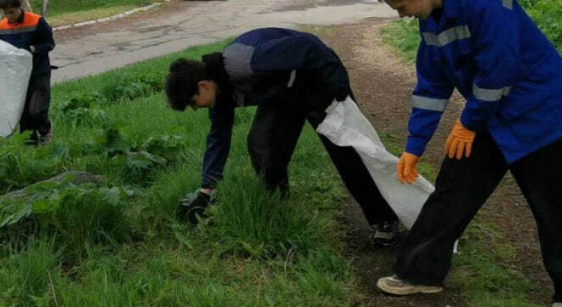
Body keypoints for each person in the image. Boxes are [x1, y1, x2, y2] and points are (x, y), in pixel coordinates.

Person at [372, 0, 562, 307]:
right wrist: (414, 147)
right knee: (452, 191)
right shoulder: (430, 20)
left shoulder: (484, 0)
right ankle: (419, 273)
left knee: (558, 206)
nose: (402, 15)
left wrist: (469, 123)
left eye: (401, 7)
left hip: (541, 113)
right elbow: (431, 86)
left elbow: (500, 71)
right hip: (490, 116)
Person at [164, 27, 401, 246]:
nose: (195, 108)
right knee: (262, 145)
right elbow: (218, 140)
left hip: (317, 79)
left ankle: (384, 219)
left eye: (193, 103)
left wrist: (337, 89)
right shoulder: (219, 93)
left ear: (203, 85)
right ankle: (276, 203)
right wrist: (206, 191)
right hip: (283, 92)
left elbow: (308, 46)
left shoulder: (244, 62)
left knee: (345, 150)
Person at [0, 0, 55, 146]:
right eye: (5, 13)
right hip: (18, 77)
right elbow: (2, 50)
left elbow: (50, 44)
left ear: (19, 7)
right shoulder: (1, 27)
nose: (9, 16)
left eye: (12, 12)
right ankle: (31, 144)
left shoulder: (36, 21)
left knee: (37, 110)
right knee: (23, 113)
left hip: (39, 71)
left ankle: (45, 129)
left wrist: (33, 49)